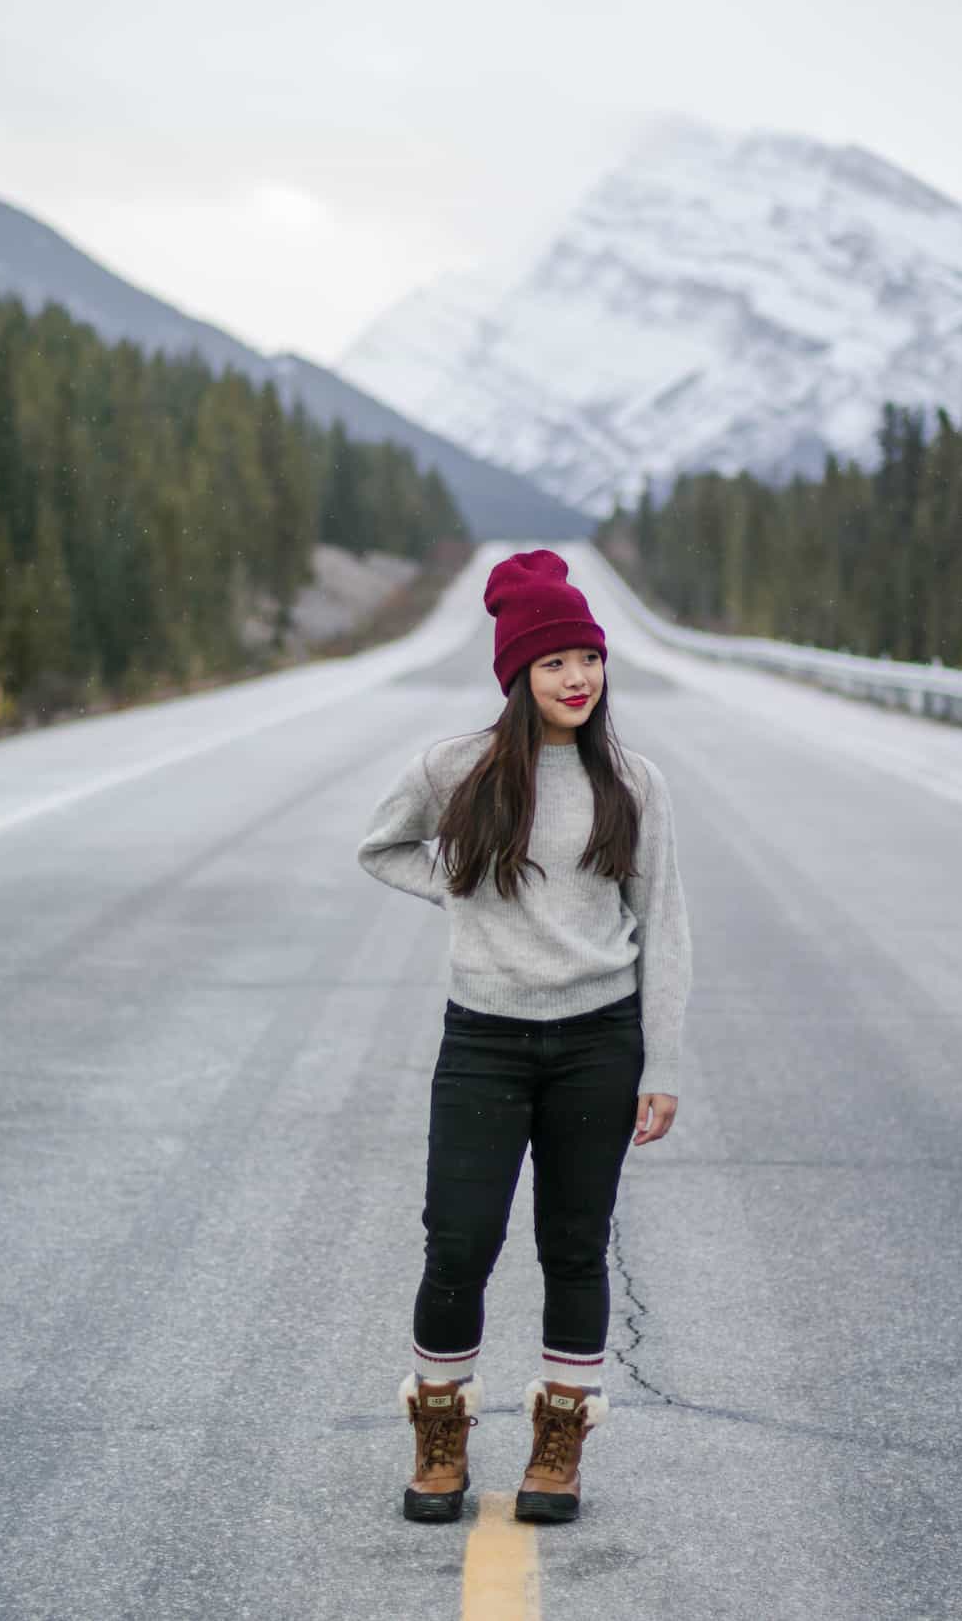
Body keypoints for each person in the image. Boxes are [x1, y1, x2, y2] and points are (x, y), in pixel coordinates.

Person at [356, 547, 693, 1524]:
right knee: (457, 1244)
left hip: (596, 1042)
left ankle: (558, 1444)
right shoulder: (454, 768)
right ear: (516, 675)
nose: (577, 676)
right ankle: (439, 1433)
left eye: (587, 657)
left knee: (574, 1248)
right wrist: (458, 888)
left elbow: (661, 925)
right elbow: (380, 846)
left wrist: (659, 1063)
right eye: (554, 662)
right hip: (485, 1041)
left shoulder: (632, 780)